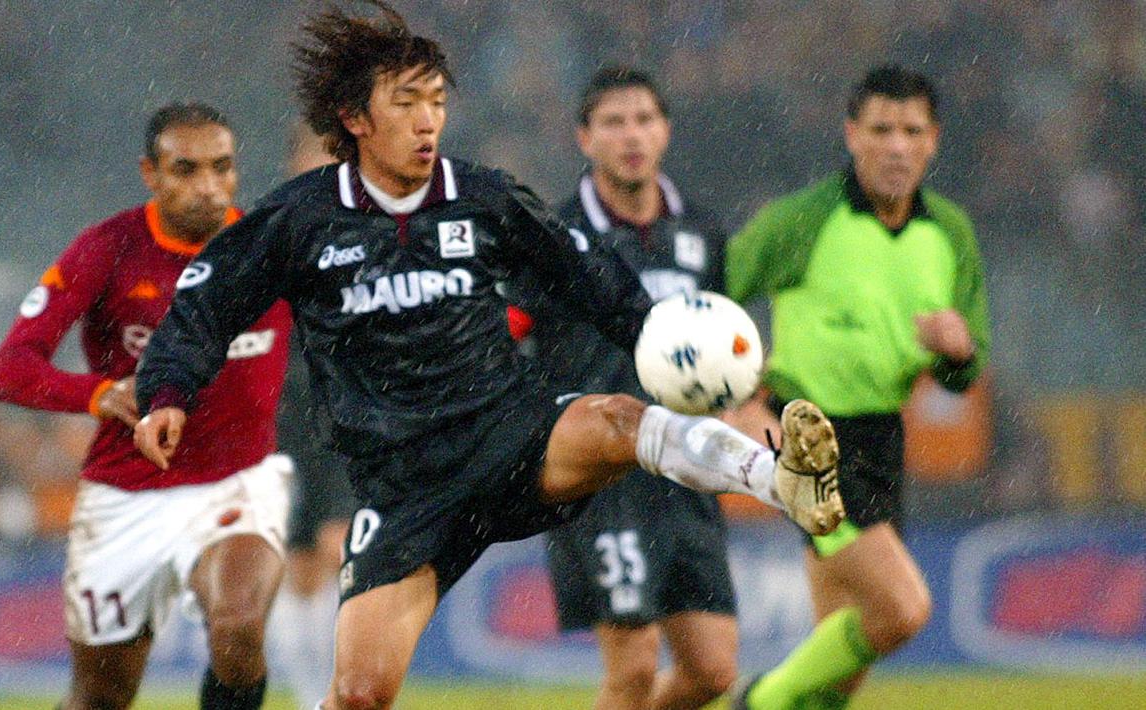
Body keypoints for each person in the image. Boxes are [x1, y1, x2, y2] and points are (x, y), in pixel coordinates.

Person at [131, 4, 844, 708]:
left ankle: (781, 481)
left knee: (622, 418)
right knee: (357, 694)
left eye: (436, 102)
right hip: (404, 488)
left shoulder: (483, 197)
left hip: (511, 435)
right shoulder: (300, 218)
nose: (426, 121)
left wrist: (658, 337)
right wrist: (166, 392)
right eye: (405, 103)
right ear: (354, 118)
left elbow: (590, 279)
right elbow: (204, 303)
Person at [0, 102, 293, 710]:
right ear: (150, 173)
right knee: (100, 697)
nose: (208, 187)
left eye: (222, 168)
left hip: (237, 482)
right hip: (126, 496)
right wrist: (99, 394)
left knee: (238, 625)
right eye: (186, 170)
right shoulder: (109, 248)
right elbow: (7, 370)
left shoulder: (269, 247)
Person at [725, 65, 990, 710]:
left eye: (911, 130)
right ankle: (758, 701)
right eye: (881, 129)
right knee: (902, 609)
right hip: (806, 433)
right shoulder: (802, 221)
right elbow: (711, 295)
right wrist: (738, 395)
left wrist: (958, 351)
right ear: (852, 135)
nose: (896, 145)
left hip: (880, 437)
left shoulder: (949, 233)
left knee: (843, 652)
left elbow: (967, 363)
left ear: (933, 141)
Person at [507, 66, 737, 709]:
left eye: (643, 119)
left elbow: (723, 341)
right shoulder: (552, 237)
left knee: (713, 671)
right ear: (584, 137)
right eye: (613, 121)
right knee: (631, 669)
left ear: (664, 130)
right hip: (603, 475)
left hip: (685, 466)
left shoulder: (702, 232)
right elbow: (504, 336)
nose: (631, 135)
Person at [276, 121, 359, 709]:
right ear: (294, 162)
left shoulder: (368, 233)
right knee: (298, 566)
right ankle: (313, 698)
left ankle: (352, 691)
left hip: (348, 417)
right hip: (282, 416)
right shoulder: (271, 235)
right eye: (314, 156)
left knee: (341, 550)